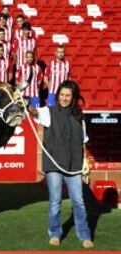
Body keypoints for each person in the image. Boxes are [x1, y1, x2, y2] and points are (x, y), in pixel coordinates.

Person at [26, 80, 94, 249]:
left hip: (75, 164)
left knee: (79, 201)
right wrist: (27, 104)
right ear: (57, 96)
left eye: (68, 96)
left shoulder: (79, 116)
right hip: (54, 163)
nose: (64, 98)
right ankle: (55, 233)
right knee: (55, 201)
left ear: (73, 97)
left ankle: (84, 234)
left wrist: (86, 161)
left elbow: (83, 141)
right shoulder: (49, 112)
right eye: (62, 95)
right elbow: (35, 113)